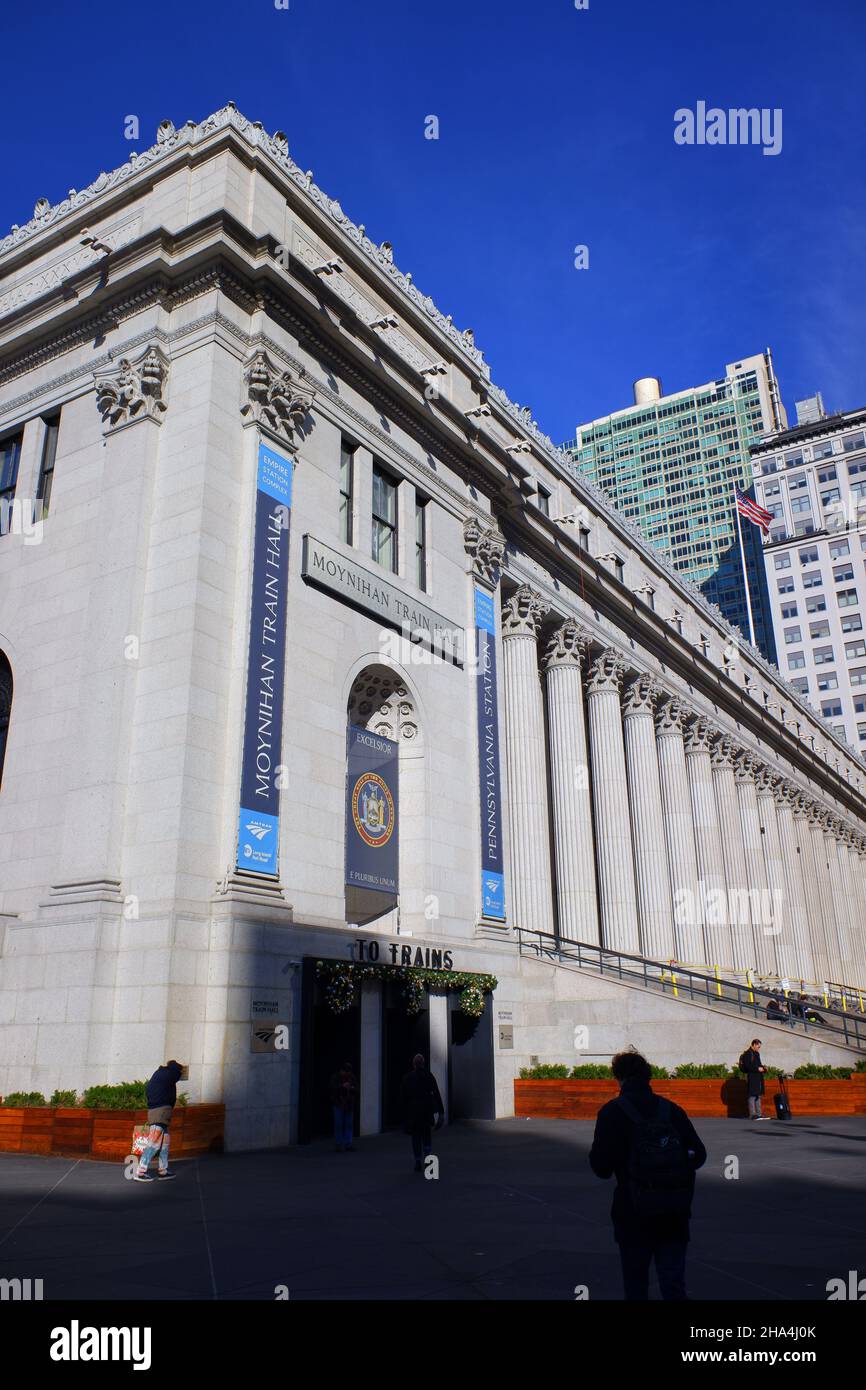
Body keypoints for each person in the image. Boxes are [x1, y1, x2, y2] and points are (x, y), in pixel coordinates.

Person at [589, 1049, 706, 1301]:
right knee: (673, 1284)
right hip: (673, 1210)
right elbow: (699, 1155)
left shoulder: (611, 1112)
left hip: (632, 1211)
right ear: (647, 1076)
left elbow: (601, 1168)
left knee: (636, 1285)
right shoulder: (671, 1109)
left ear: (619, 1078)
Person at [133, 1059, 185, 1182]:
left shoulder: (160, 1074)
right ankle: (140, 1172)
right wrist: (179, 1070)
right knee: (154, 1143)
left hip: (159, 1112)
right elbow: (176, 1075)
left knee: (164, 1143)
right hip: (160, 1113)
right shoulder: (169, 1074)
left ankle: (163, 1170)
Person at [400, 1054, 444, 1172]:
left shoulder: (407, 1078)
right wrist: (441, 1112)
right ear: (423, 1063)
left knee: (415, 1137)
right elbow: (436, 1093)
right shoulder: (428, 1076)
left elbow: (403, 1099)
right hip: (426, 1111)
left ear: (413, 1064)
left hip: (413, 1112)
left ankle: (418, 1161)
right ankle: (428, 1162)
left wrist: (404, 1117)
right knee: (426, 1136)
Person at [329, 1062, 357, 1152]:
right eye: (345, 1071)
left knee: (348, 1125)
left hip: (348, 1104)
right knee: (339, 1124)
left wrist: (352, 1088)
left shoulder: (352, 1077)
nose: (347, 1073)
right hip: (338, 1103)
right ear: (341, 1071)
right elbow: (332, 1088)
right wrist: (342, 1086)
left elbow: (357, 1089)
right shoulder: (335, 1077)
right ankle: (339, 1144)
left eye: (348, 1071)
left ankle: (348, 1143)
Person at [739, 1038, 768, 1119]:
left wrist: (764, 1068)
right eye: (758, 1046)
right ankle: (752, 1114)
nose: (759, 1048)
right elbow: (748, 1066)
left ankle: (759, 1113)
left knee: (758, 1095)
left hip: (758, 1077)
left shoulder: (756, 1053)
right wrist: (757, 1069)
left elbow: (759, 1064)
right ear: (754, 1045)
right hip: (752, 1077)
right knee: (751, 1095)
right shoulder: (748, 1054)